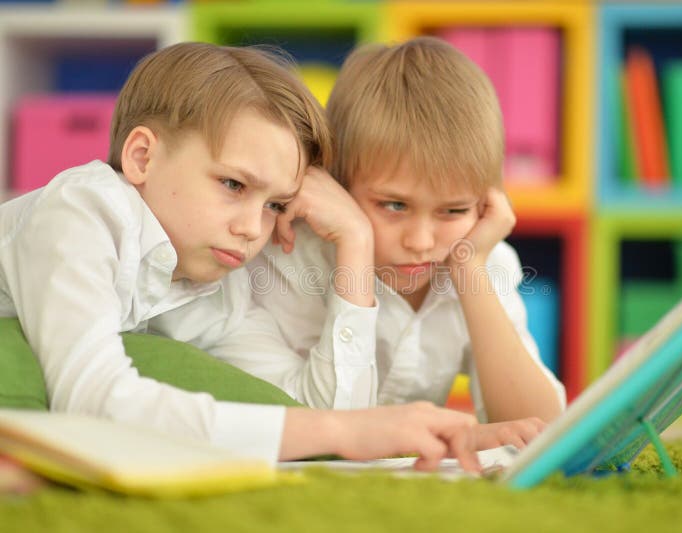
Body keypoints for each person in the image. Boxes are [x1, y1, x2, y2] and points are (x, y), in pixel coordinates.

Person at [0, 42, 482, 472]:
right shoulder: (83, 212)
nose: (253, 229)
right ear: (142, 157)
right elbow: (89, 398)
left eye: (276, 204)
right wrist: (341, 433)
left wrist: (356, 241)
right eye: (234, 185)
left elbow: (327, 422)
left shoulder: (219, 287)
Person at [245, 37, 566, 451]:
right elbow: (310, 428)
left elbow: (541, 429)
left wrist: (469, 270)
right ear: (337, 182)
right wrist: (356, 243)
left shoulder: (481, 256)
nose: (420, 241)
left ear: (485, 204)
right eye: (394, 205)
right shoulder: (289, 258)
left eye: (453, 211)